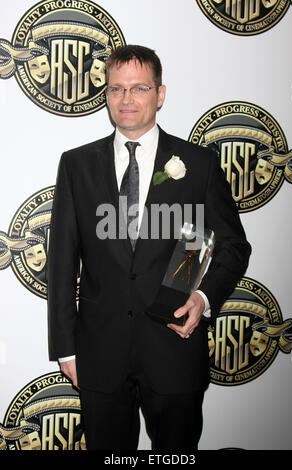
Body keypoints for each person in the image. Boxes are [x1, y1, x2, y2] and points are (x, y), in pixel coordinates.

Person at [47, 45, 251, 451]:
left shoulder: (200, 163)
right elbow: (62, 263)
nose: (126, 100)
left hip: (175, 347)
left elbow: (232, 246)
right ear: (106, 95)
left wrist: (203, 297)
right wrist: (64, 347)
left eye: (139, 88)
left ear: (160, 94)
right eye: (116, 89)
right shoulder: (76, 164)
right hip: (100, 354)